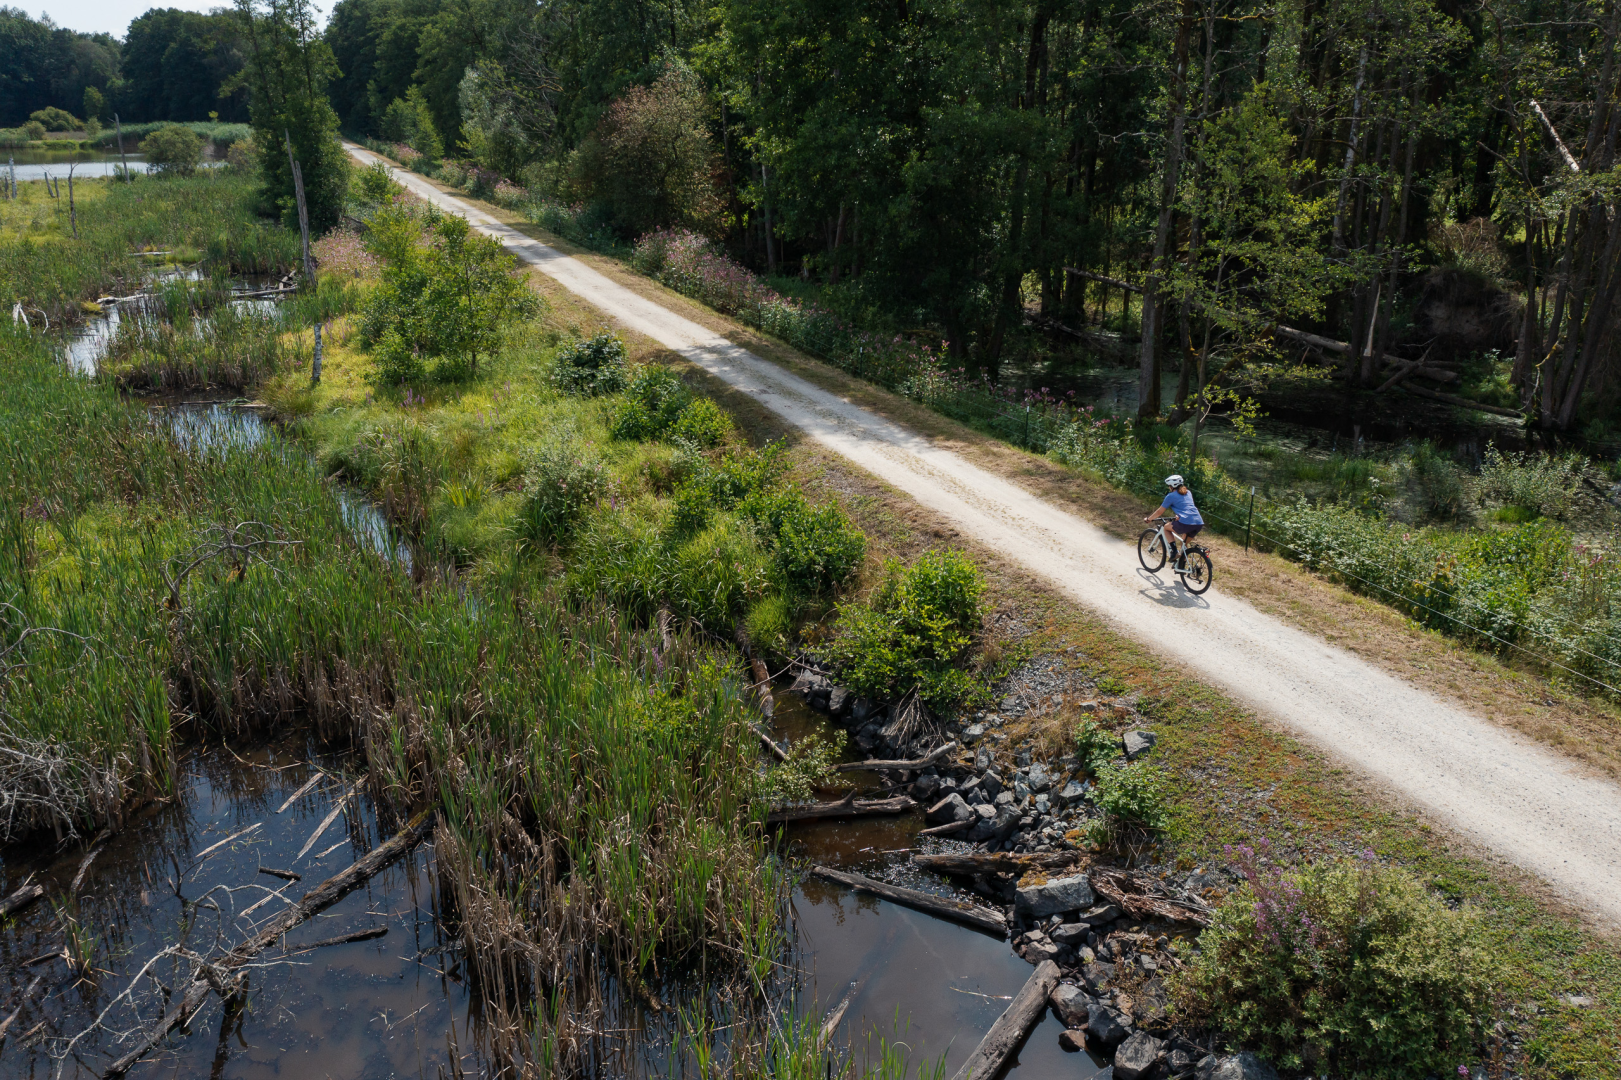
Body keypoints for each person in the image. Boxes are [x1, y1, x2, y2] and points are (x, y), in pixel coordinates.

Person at [1144, 473, 1204, 571]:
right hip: (1198, 522)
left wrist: (1149, 519)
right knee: (1184, 546)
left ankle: (1174, 552)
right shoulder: (1188, 492)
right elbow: (1187, 507)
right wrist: (1179, 516)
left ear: (1172, 486)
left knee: (1165, 528)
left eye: (1169, 486)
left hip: (1186, 522)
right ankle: (1181, 565)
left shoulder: (1170, 496)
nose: (1168, 488)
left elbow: (1159, 511)